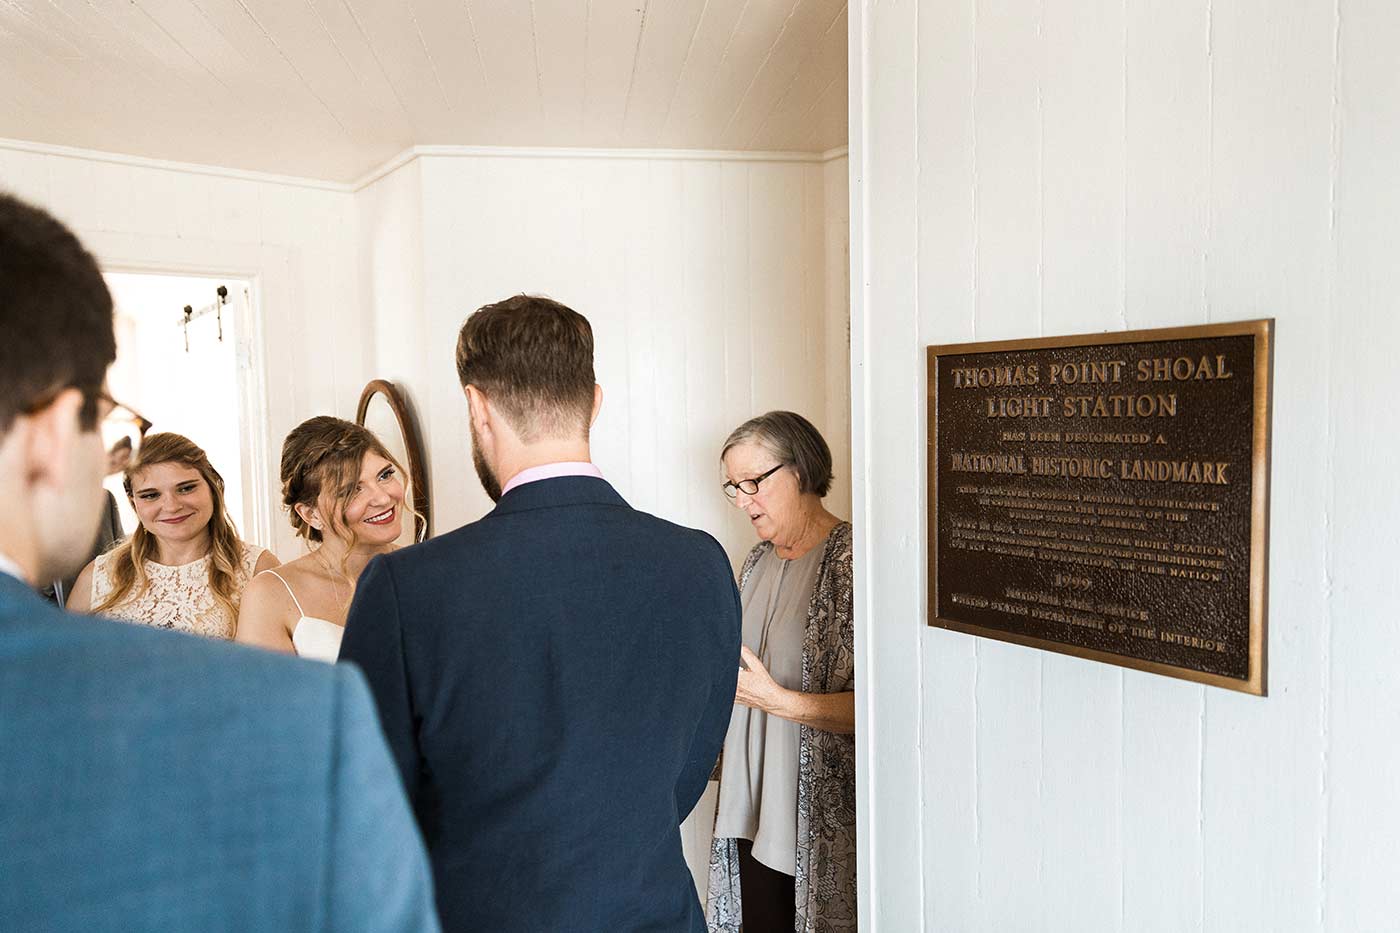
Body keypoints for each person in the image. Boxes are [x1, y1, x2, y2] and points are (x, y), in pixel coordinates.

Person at [0, 191, 440, 932]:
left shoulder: (296, 580)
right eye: (106, 423)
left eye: (384, 475)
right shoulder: (294, 710)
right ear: (49, 431)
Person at [340, 294, 742, 932]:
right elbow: (689, 763)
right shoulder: (701, 562)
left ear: (477, 407)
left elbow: (368, 807)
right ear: (595, 402)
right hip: (655, 914)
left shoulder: (405, 587)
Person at [706, 411, 856, 933]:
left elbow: (884, 711)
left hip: (812, 826)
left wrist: (778, 701)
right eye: (734, 486)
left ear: (800, 471)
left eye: (753, 481)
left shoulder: (851, 562)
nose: (742, 500)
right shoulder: (754, 561)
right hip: (747, 817)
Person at [67, 432, 279, 638]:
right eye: (151, 495)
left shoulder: (259, 568)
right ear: (134, 503)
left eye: (186, 488)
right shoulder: (98, 576)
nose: (171, 506)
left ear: (214, 487)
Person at [235, 416, 412, 663]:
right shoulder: (270, 595)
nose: (383, 498)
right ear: (311, 514)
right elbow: (264, 688)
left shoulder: (425, 570)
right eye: (352, 490)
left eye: (384, 475)